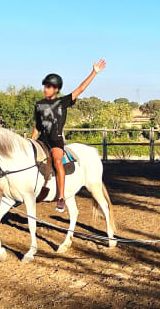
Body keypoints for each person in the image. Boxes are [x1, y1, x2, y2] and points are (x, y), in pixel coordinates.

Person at [32, 59, 106, 212]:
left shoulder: (63, 102)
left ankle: (61, 197)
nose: (46, 89)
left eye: (49, 86)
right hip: (41, 141)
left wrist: (94, 72)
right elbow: (37, 126)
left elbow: (80, 89)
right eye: (45, 86)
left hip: (56, 142)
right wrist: (31, 141)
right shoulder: (39, 105)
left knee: (58, 162)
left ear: (56, 89)